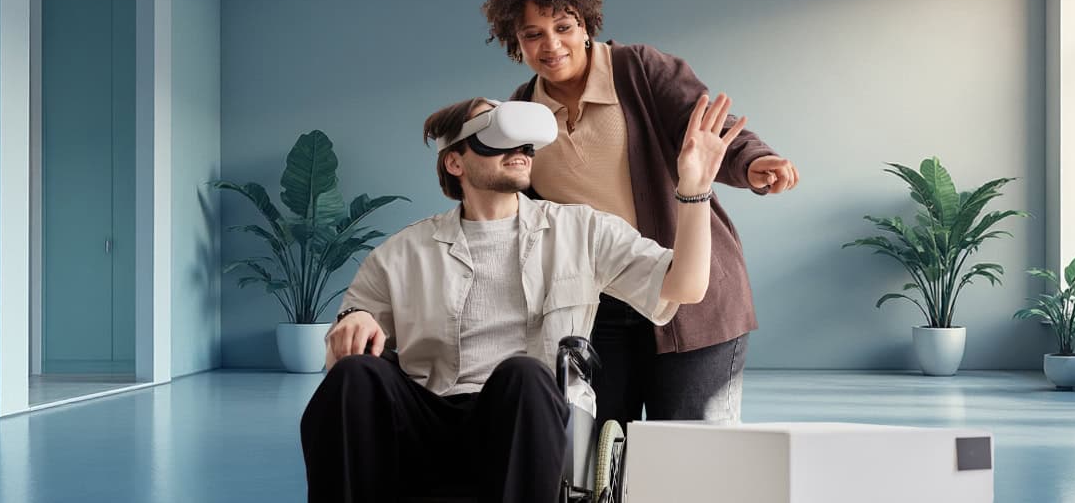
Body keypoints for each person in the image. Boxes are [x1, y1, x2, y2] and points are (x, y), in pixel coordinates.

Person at [299, 95, 745, 503]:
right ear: (455, 162)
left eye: (525, 143)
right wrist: (355, 322)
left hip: (523, 417)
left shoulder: (581, 229)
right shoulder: (401, 252)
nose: (519, 150)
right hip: (428, 418)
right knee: (354, 375)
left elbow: (686, 286)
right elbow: (344, 345)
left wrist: (694, 188)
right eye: (495, 139)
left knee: (524, 374)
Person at [481, 0, 801, 427]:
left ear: (586, 24)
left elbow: (707, 128)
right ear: (517, 44)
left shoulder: (640, 70)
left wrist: (752, 162)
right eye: (533, 35)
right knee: (597, 452)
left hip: (690, 295)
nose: (551, 45)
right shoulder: (523, 114)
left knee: (690, 448)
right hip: (597, 306)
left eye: (563, 27)